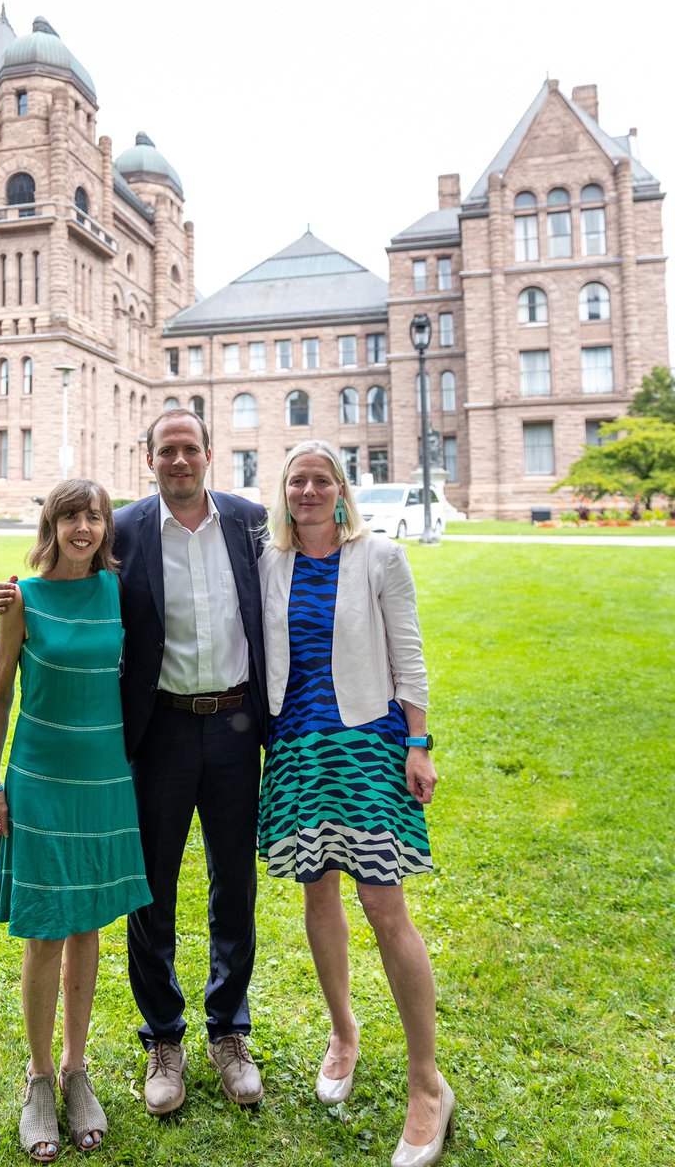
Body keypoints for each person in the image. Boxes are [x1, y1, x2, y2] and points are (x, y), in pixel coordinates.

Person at [0, 411, 268, 1117]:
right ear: (147, 457)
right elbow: (65, 577)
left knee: (233, 884)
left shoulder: (250, 522)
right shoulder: (132, 530)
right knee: (152, 893)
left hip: (237, 727)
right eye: (165, 450)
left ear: (210, 453)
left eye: (189, 449)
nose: (179, 460)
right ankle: (164, 1041)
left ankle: (229, 1032)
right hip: (161, 731)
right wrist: (11, 595)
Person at [258, 441, 454, 1167]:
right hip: (297, 749)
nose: (308, 490)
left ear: (342, 489)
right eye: (297, 481)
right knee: (318, 896)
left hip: (368, 742)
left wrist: (420, 740)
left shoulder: (380, 559)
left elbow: (410, 651)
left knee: (383, 903)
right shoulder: (269, 562)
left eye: (321, 479)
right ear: (284, 492)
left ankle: (427, 1082)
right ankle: (343, 1032)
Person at [0, 478, 152, 1162]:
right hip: (40, 780)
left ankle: (79, 1071)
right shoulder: (22, 597)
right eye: (72, 517)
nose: (85, 527)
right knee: (46, 931)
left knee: (88, 927)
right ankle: (39, 1078)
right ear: (52, 524)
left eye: (96, 517)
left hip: (103, 780)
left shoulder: (117, 590)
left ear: (107, 526)